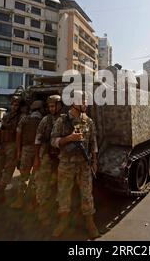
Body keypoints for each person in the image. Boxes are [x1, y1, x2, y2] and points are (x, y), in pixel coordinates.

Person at [50, 91, 100, 239]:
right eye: (82, 101)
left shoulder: (88, 121)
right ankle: (63, 222)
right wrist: (69, 138)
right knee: (64, 193)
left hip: (84, 164)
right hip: (66, 164)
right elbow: (53, 141)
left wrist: (95, 161)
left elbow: (93, 143)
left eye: (86, 101)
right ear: (73, 102)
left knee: (86, 194)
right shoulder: (62, 121)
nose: (85, 104)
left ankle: (90, 223)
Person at [0, 97, 24, 206]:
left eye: (17, 105)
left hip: (12, 145)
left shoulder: (21, 117)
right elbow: (1, 129)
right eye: (13, 104)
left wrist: (18, 149)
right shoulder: (7, 115)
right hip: (2, 145)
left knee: (8, 169)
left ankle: (1, 193)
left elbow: (19, 133)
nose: (14, 106)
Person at [33, 95, 62, 226]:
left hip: (61, 158)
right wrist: (36, 159)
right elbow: (38, 139)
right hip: (47, 156)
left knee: (60, 186)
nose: (51, 109)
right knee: (42, 184)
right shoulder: (45, 120)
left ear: (59, 105)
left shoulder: (65, 119)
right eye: (49, 106)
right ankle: (42, 212)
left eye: (53, 106)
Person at [10, 100, 44, 209]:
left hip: (25, 149)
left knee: (23, 176)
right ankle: (32, 202)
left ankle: (19, 200)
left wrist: (19, 151)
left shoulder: (24, 119)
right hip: (38, 150)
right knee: (36, 177)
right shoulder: (43, 120)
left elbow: (18, 135)